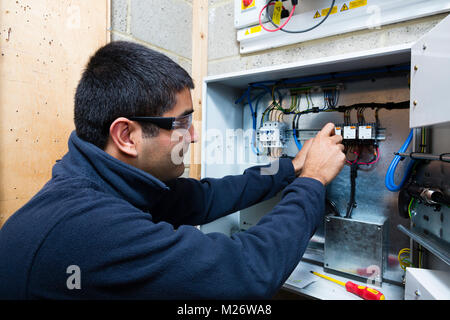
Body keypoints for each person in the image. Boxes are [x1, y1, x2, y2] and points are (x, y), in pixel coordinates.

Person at [0, 41, 345, 299]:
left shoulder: (99, 180)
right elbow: (245, 274)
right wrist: (313, 180)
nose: (193, 137)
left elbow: (204, 197)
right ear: (127, 136)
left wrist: (291, 167)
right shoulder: (90, 227)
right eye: (182, 123)